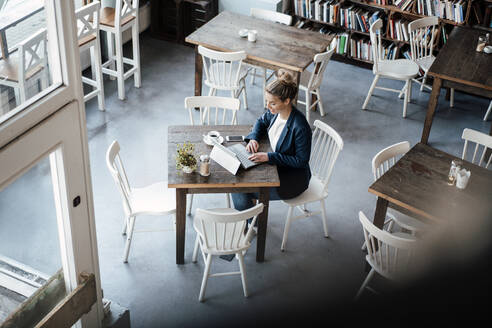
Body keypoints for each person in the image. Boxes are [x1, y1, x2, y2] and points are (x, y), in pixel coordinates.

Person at [231, 69, 312, 216]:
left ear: (287, 101)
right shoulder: (276, 112)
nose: (268, 107)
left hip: (291, 179)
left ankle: (250, 226)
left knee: (240, 190)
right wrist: (254, 138)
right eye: (267, 101)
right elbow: (261, 121)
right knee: (236, 178)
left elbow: (301, 161)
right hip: (273, 168)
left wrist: (269, 157)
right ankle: (250, 219)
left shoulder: (300, 127)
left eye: (273, 103)